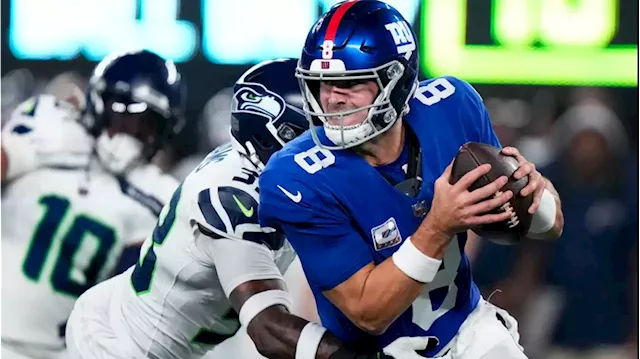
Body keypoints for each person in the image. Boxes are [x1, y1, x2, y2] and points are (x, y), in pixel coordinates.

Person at [258, 1, 565, 358]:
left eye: (351, 82)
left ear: (398, 80)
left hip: (470, 333)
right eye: (322, 83)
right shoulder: (295, 176)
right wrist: (438, 225)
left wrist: (534, 192)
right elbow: (368, 312)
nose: (332, 99)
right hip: (375, 353)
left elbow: (550, 225)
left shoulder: (452, 106)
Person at [64, 58, 427, 359]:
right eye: (317, 126)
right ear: (277, 133)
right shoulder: (234, 200)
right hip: (118, 345)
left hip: (175, 340)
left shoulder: (269, 172)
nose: (335, 137)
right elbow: (268, 329)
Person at [1, 49, 181, 359]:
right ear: (99, 104)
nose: (131, 133)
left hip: (57, 351)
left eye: (146, 125)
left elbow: (135, 302)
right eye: (123, 116)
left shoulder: (159, 196)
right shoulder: (53, 125)